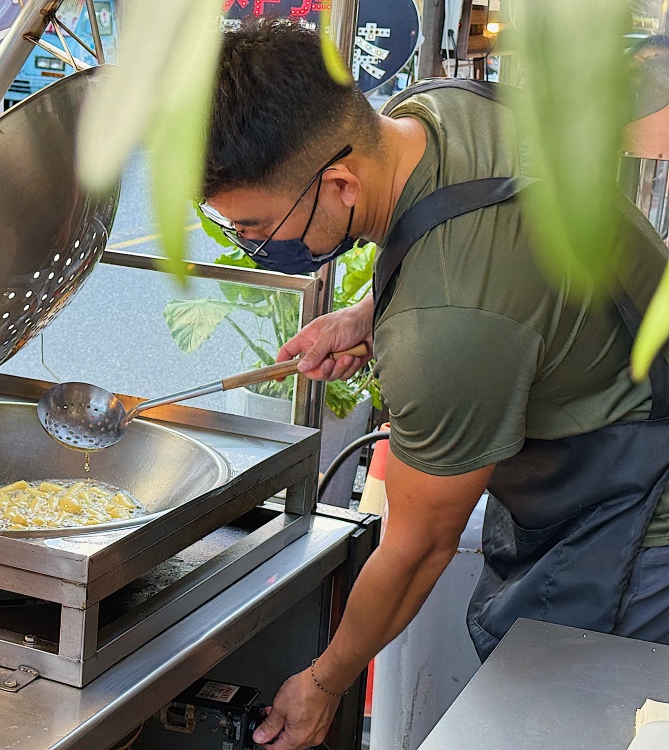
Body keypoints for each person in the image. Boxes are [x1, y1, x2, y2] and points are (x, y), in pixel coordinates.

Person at [199, 21, 669, 750]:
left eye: (256, 227)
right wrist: (367, 315)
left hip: (642, 514)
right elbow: (480, 239)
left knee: (587, 728)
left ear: (340, 182)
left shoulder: (447, 330)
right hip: (605, 398)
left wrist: (323, 683)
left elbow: (420, 546)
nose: (253, 246)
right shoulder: (431, 111)